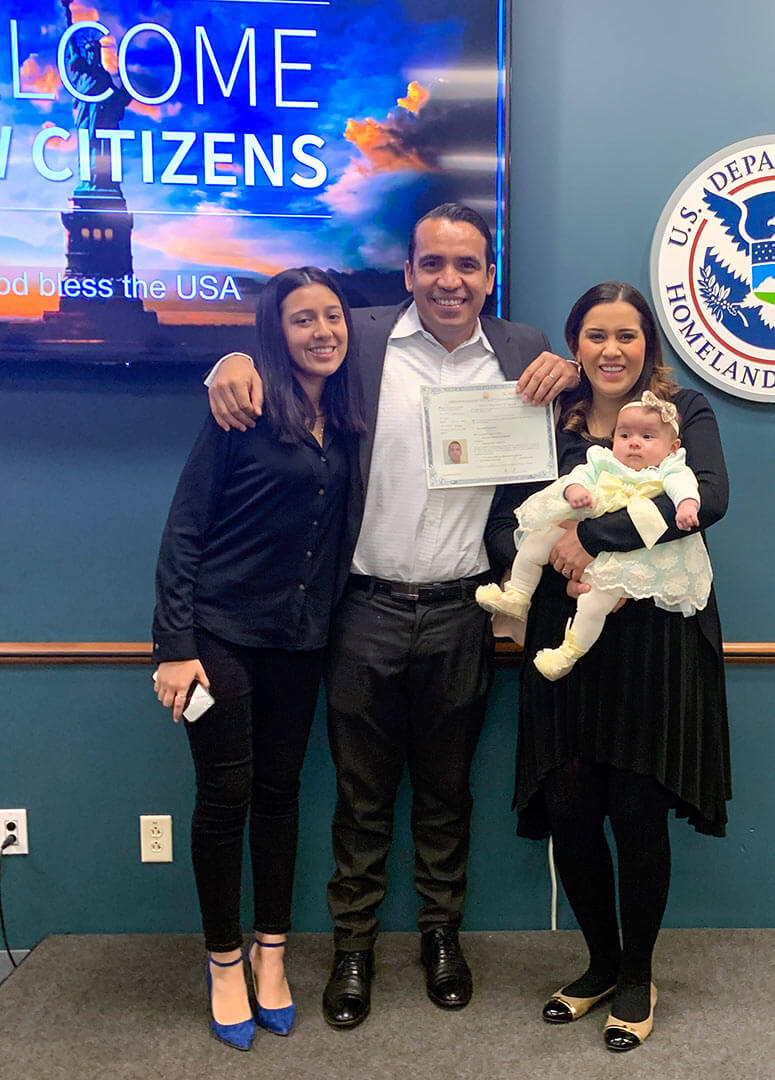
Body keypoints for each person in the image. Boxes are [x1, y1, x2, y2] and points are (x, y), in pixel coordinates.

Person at [205, 203, 579, 1029]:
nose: (451, 280)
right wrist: (229, 355)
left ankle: (441, 936)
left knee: (447, 794)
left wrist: (574, 372)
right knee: (360, 796)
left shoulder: (521, 351)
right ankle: (353, 947)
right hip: (362, 609)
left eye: (469, 265)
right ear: (408, 272)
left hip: (463, 612)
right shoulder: (359, 338)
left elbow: (572, 413)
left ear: (490, 275)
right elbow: (279, 343)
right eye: (433, 264)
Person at [485, 282, 731, 1052]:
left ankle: (636, 971)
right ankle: (596, 964)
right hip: (566, 632)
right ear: (574, 343)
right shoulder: (545, 418)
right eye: (595, 334)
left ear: (648, 345)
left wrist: (596, 543)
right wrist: (551, 563)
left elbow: (711, 499)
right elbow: (501, 518)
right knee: (569, 802)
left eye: (627, 334)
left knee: (635, 805)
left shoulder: (681, 413)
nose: (612, 349)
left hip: (654, 636)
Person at [153, 266, 364, 1050]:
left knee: (280, 796)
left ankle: (272, 957)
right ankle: (223, 963)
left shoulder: (343, 418)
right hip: (218, 641)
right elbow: (184, 533)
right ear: (275, 333)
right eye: (303, 320)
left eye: (333, 317)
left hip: (301, 641)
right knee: (226, 795)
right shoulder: (239, 411)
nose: (322, 332)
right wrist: (174, 647)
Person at [475, 390, 710, 680]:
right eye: (624, 436)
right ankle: (517, 593)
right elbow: (578, 476)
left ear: (673, 447)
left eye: (647, 437)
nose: (634, 442)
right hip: (580, 525)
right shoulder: (603, 461)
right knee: (536, 540)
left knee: (594, 601)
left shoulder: (668, 469)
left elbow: (685, 486)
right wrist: (575, 491)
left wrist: (687, 504)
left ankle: (569, 652)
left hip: (628, 556)